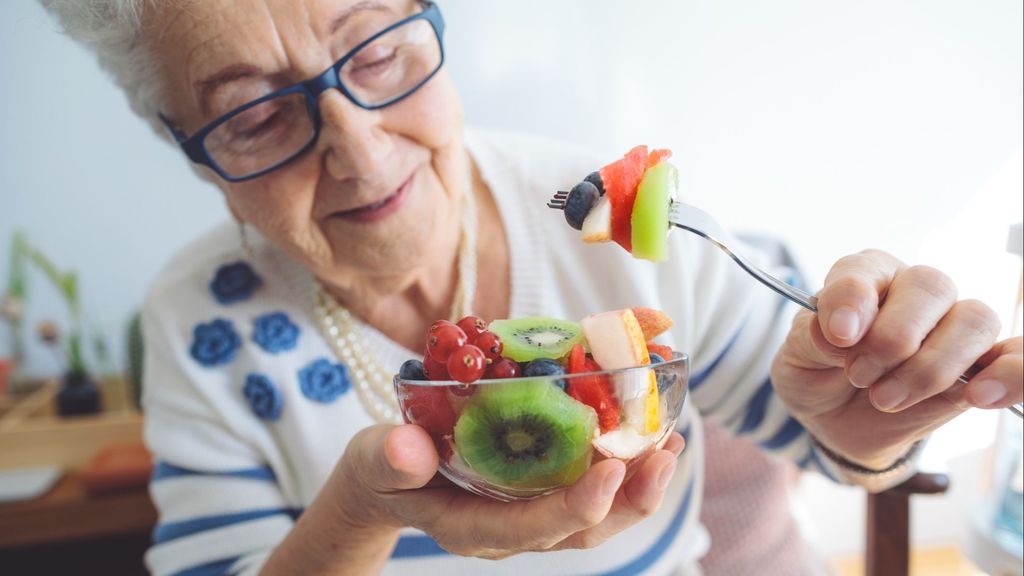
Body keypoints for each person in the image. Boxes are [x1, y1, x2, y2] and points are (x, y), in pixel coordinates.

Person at [38, 1, 1023, 575]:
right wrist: (366, 511)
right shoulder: (201, 325)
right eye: (252, 117)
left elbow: (842, 435)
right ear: (191, 154)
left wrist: (874, 422)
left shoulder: (617, 220)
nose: (359, 150)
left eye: (377, 53)